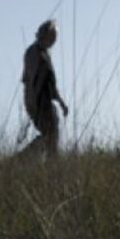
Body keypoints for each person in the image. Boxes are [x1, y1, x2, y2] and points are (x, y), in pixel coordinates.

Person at [21, 19, 69, 158]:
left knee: (52, 133)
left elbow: (50, 84)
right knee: (50, 134)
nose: (54, 41)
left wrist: (61, 102)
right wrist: (33, 102)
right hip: (38, 101)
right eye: (53, 37)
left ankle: (51, 161)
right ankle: (24, 157)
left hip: (44, 100)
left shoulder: (44, 53)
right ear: (45, 35)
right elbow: (31, 80)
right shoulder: (34, 52)